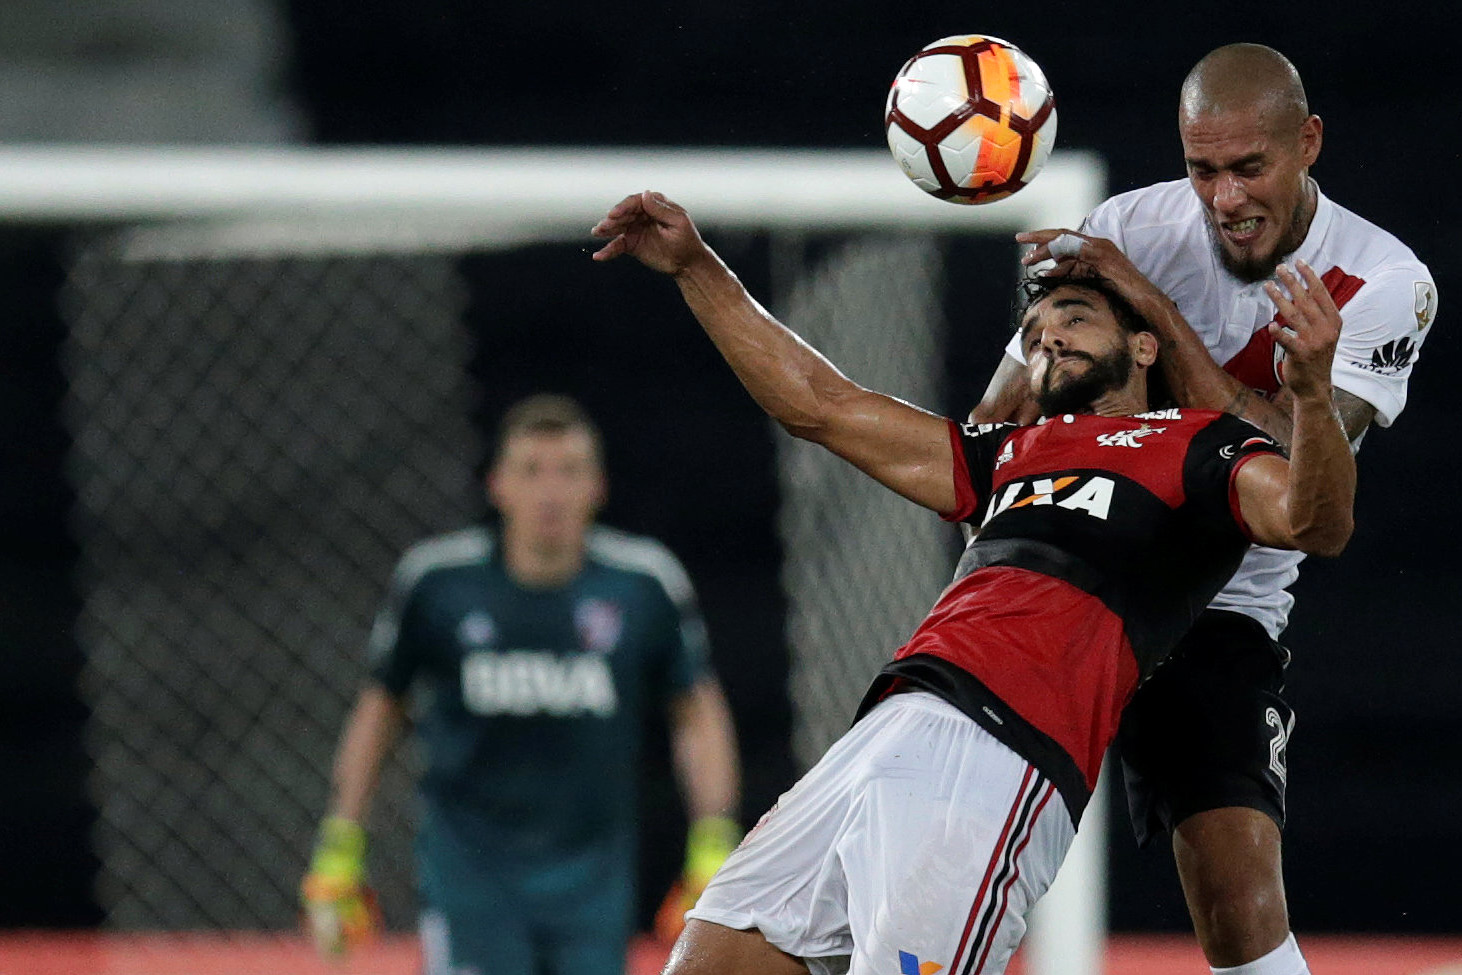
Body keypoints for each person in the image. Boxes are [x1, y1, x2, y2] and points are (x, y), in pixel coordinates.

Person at [589, 189, 1354, 975]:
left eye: (1074, 318)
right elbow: (821, 406)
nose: (1047, 337)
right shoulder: (1008, 453)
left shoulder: (1199, 445)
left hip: (1001, 757)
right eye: (1033, 331)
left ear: (1146, 344)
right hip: (881, 730)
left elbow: (1314, 523)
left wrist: (1314, 395)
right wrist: (695, 267)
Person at [972, 43, 1437, 975]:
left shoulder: (1386, 283)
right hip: (1081, 571)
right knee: (949, 851)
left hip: (1221, 604)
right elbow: (998, 415)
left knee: (1239, 901)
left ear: (1308, 143)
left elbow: (1299, 474)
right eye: (1201, 169)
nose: (1223, 198)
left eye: (1248, 167)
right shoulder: (1128, 225)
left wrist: (1145, 302)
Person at [300, 393, 742, 975]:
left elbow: (696, 711)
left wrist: (714, 842)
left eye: (569, 471)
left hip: (593, 880)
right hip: (470, 878)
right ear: (498, 485)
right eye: (531, 471)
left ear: (598, 487)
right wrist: (339, 847)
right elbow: (380, 710)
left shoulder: (644, 586)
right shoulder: (437, 583)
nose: (550, 492)